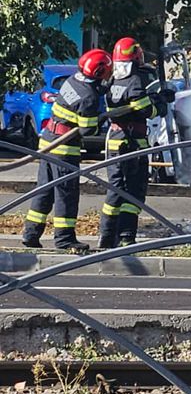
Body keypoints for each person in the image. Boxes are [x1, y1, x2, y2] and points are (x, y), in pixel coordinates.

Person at [22, 49, 113, 252]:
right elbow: (89, 129)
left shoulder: (73, 80)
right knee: (66, 193)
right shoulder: (88, 98)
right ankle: (64, 239)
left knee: (44, 190)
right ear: (98, 72)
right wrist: (102, 116)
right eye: (107, 70)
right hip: (64, 148)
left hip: (47, 142)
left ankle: (30, 234)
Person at [99, 37, 173, 249]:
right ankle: (126, 236)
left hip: (116, 142)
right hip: (132, 145)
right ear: (136, 57)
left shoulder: (114, 81)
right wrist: (160, 104)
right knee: (134, 190)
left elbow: (133, 103)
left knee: (116, 189)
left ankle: (108, 236)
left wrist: (154, 97)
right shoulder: (135, 81)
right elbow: (145, 111)